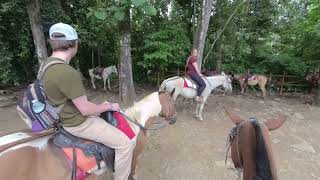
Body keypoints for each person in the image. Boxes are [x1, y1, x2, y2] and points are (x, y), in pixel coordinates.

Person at [43, 22, 133, 180]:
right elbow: (84, 109)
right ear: (74, 44)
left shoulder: (46, 65)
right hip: (76, 123)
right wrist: (108, 106)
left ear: (52, 43)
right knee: (125, 144)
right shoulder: (67, 72)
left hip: (61, 118)